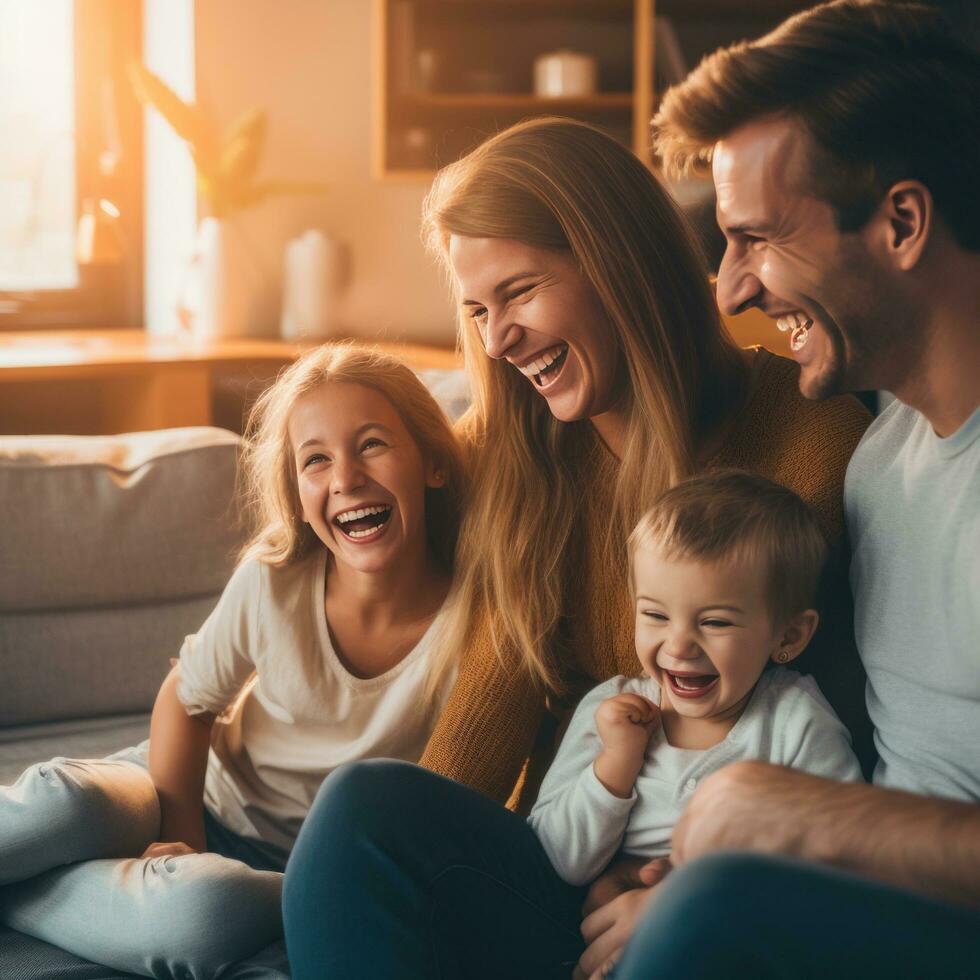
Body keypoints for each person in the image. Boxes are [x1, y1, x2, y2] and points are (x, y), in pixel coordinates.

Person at [283, 117, 872, 980]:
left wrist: (684, 890)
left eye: (518, 293)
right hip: (558, 868)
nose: (495, 341)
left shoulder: (813, 439)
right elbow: (485, 720)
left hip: (725, 896)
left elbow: (840, 755)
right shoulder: (513, 455)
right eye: (477, 310)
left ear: (617, 262)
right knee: (362, 810)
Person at [594, 1, 980, 977]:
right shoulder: (874, 462)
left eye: (754, 238)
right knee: (382, 825)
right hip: (838, 911)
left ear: (899, 221)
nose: (728, 288)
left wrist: (769, 817)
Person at [0, 344, 464, 979]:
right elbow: (187, 700)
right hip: (185, 790)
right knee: (65, 803)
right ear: (299, 494)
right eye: (317, 460)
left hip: (282, 872)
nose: (345, 478)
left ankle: (17, 892)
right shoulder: (276, 580)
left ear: (434, 461)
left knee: (206, 913)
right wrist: (183, 835)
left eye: (373, 444)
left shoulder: (476, 624)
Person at [529, 471, 862, 889]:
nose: (679, 645)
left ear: (788, 636)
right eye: (655, 615)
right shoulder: (609, 711)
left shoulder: (795, 724)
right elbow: (551, 858)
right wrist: (615, 764)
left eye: (715, 621)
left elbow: (845, 858)